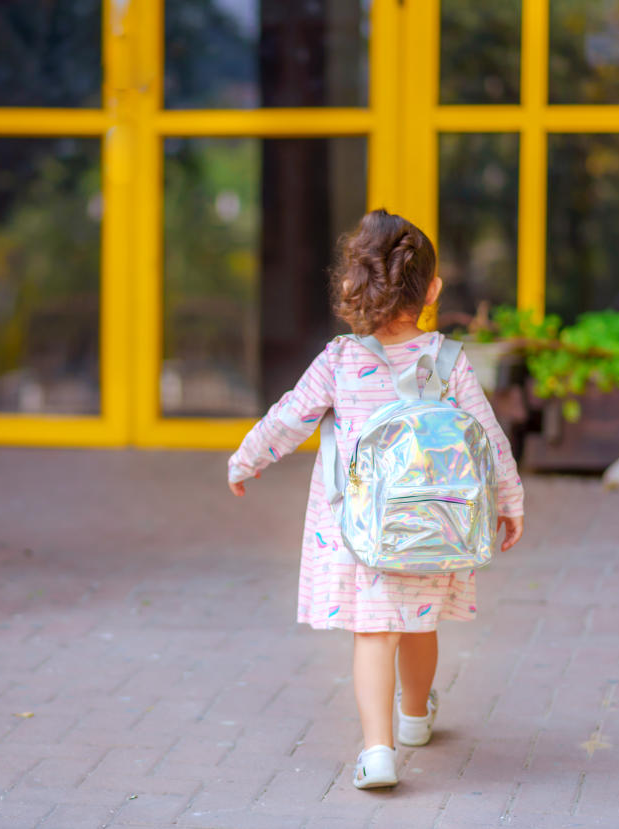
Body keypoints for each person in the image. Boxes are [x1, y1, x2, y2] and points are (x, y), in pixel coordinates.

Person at [225, 208, 525, 790]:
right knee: (417, 625)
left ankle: (378, 751)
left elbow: (288, 419)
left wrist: (246, 459)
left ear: (351, 286)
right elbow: (489, 441)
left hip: (362, 535)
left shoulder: (339, 360)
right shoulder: (449, 361)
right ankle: (415, 719)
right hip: (434, 526)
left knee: (374, 633)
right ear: (433, 290)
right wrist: (509, 503)